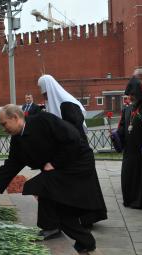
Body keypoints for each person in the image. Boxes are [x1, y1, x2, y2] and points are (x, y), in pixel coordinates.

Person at [0, 105, 107, 252]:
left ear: (15, 118)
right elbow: (9, 168)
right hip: (58, 169)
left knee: (42, 188)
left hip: (76, 163)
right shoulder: (17, 140)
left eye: (4, 124)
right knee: (58, 204)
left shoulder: (43, 120)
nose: (3, 129)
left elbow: (73, 138)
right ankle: (77, 238)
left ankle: (55, 229)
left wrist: (54, 163)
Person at [38, 74, 106, 228]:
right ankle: (78, 218)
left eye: (45, 93)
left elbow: (73, 131)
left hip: (77, 152)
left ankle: (86, 218)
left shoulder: (67, 105)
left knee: (81, 187)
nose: (44, 96)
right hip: (71, 151)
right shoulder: (62, 103)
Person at [119, 77, 142, 209]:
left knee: (140, 176)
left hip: (141, 148)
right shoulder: (128, 109)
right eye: (130, 95)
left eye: (134, 95)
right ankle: (128, 198)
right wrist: (117, 135)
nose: (131, 97)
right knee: (128, 174)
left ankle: (139, 201)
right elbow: (123, 126)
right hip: (129, 149)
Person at [38, 74, 88, 142]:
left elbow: (73, 129)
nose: (43, 95)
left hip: (76, 146)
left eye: (45, 93)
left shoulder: (68, 104)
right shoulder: (53, 104)